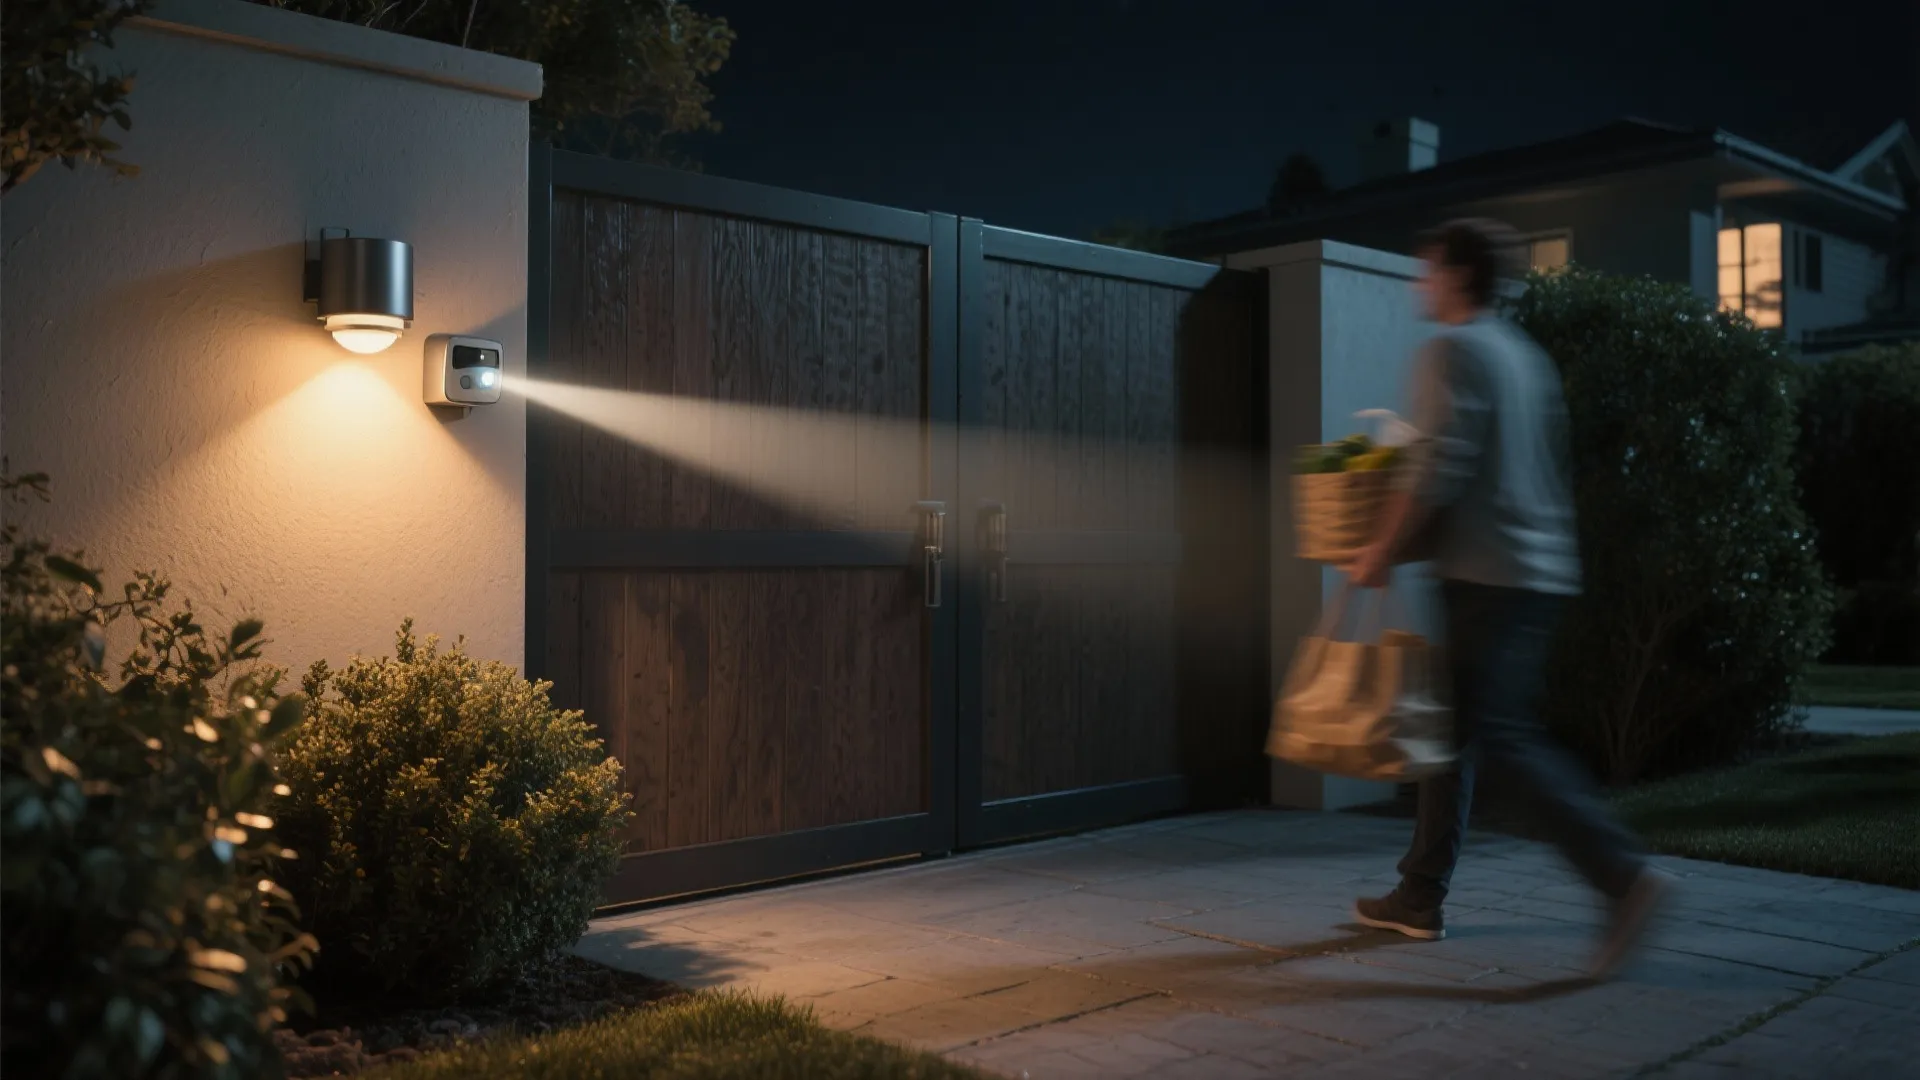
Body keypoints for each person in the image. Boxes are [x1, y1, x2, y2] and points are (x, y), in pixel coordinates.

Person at [1345, 218, 1670, 981]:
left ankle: (1623, 877)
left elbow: (1439, 466)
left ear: (1459, 275)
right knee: (1455, 736)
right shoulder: (1523, 354)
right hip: (1535, 570)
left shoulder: (1452, 349)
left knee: (1499, 740)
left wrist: (1381, 548)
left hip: (1488, 577)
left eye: (1428, 268)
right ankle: (1419, 895)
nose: (1420, 282)